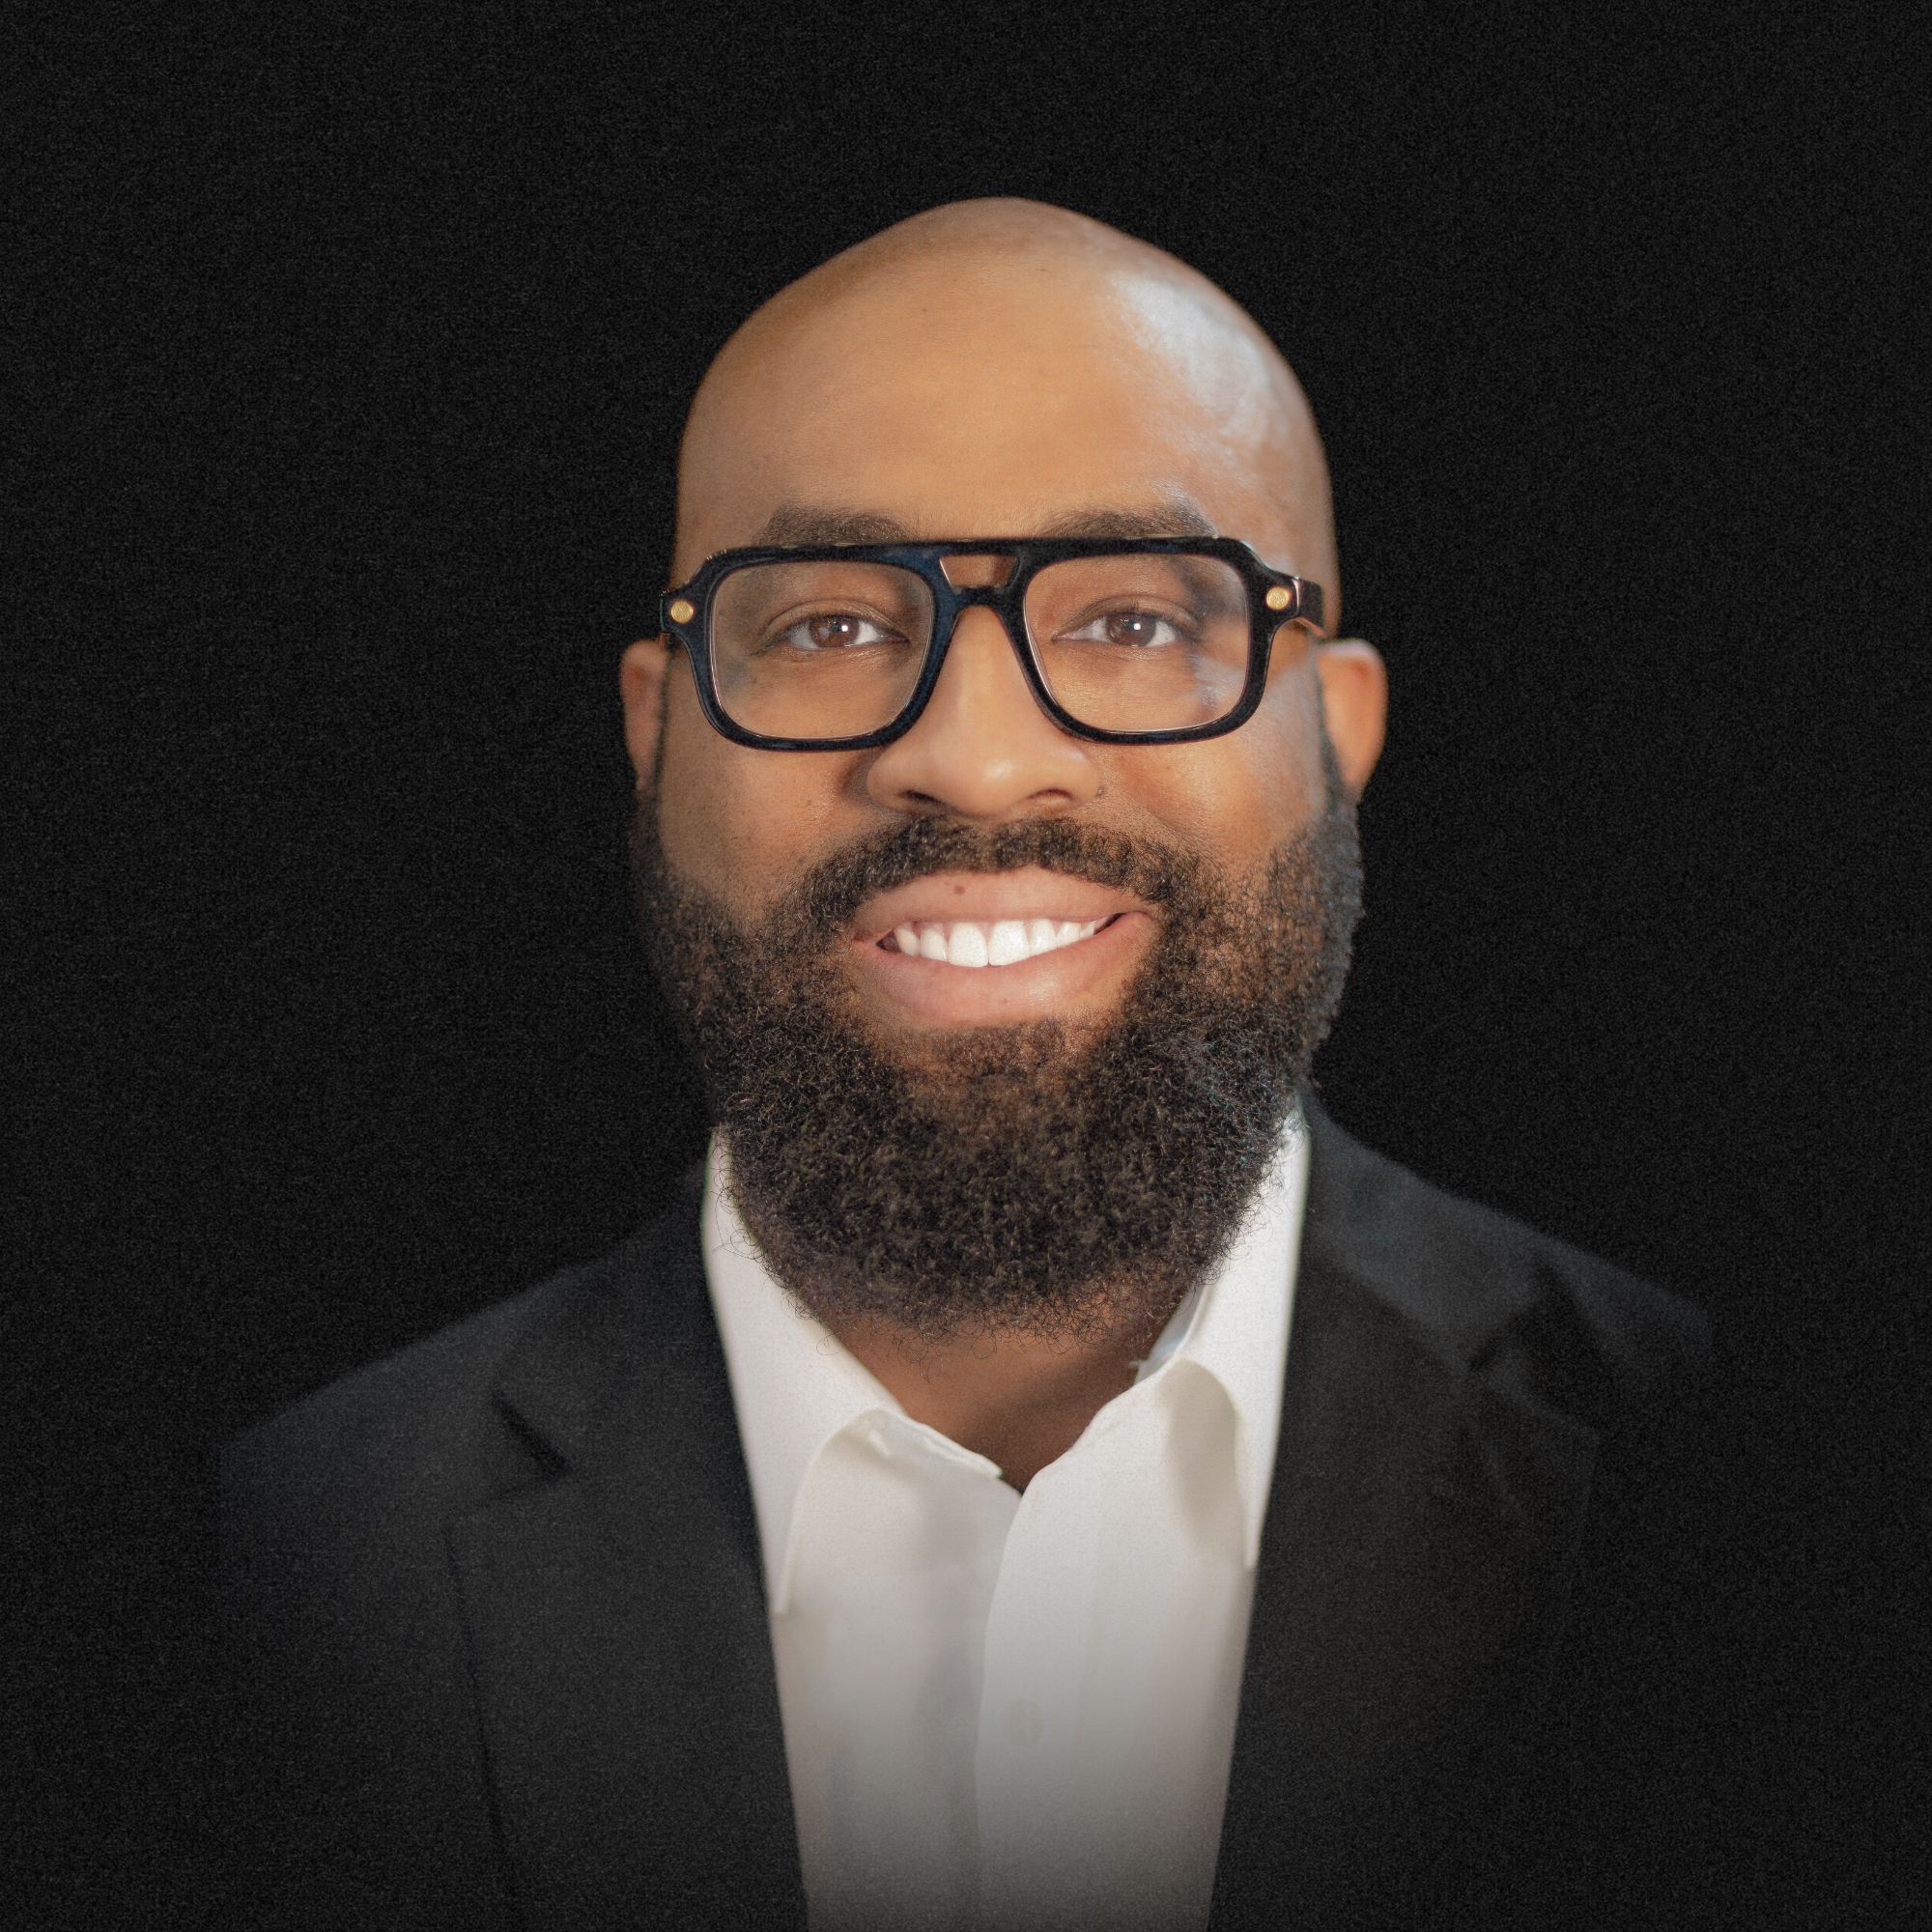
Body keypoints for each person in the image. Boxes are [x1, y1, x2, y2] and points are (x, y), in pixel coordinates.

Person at [220, 200, 1716, 1931]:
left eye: (1141, 623)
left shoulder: (1730, 1491)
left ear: (1341, 729)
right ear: (656, 729)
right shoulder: (277, 1570)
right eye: (832, 628)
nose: (981, 762)